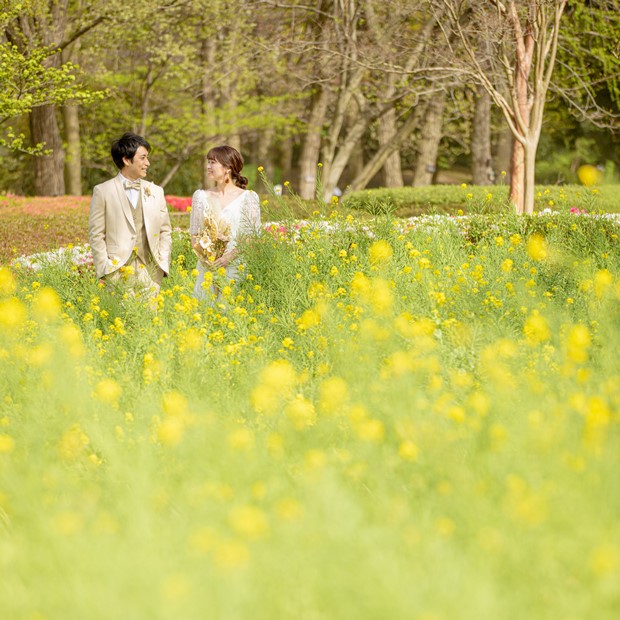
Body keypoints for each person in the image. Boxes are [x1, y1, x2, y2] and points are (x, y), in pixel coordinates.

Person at [88, 132, 172, 298]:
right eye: (143, 158)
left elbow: (165, 231)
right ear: (126, 160)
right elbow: (96, 234)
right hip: (117, 271)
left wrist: (162, 262)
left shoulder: (156, 191)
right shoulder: (103, 191)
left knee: (149, 321)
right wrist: (105, 268)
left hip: (151, 271)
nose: (147, 163)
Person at [190, 145, 261, 301]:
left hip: (235, 266)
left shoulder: (249, 198)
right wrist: (205, 259)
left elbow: (252, 237)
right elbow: (194, 233)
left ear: (228, 167)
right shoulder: (200, 196)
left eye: (212, 162)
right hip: (206, 268)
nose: (208, 167)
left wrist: (227, 258)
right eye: (207, 162)